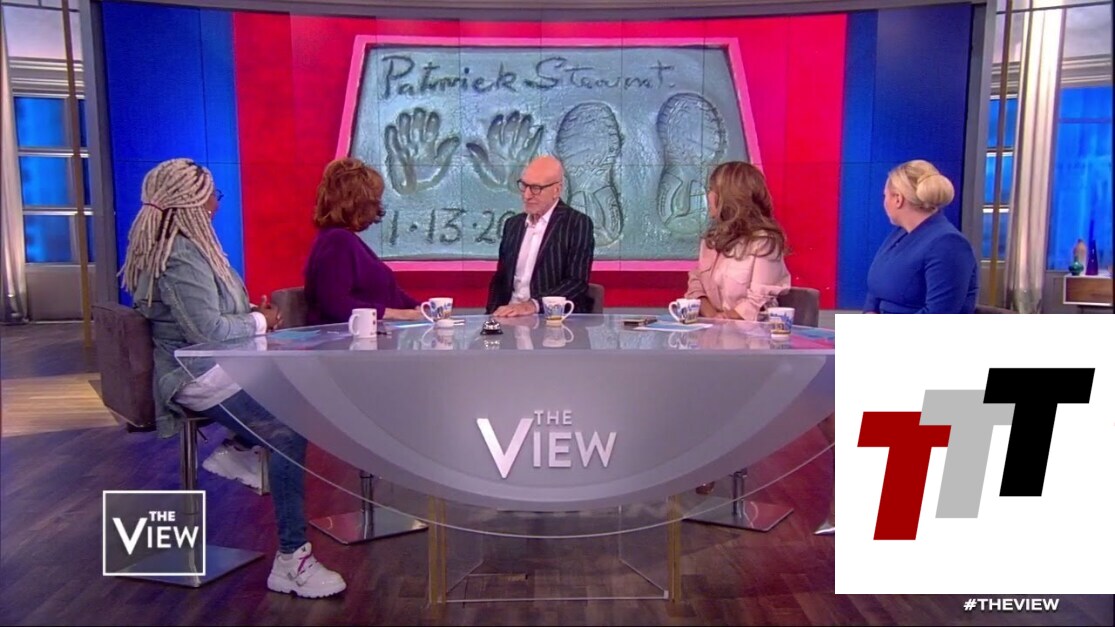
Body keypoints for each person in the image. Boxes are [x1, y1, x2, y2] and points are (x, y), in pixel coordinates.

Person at [121, 158, 346, 598]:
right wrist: (260, 321)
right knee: (286, 432)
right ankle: (292, 560)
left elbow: (210, 316)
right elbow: (206, 331)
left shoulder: (183, 247)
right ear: (191, 201)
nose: (217, 204)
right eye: (213, 196)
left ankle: (239, 450)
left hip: (217, 364)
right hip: (197, 374)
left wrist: (249, 315)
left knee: (303, 392)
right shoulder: (180, 254)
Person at [305, 158, 423, 325]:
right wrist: (400, 315)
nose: (379, 208)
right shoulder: (337, 241)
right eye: (376, 201)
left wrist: (419, 307)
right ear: (360, 202)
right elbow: (334, 303)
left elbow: (388, 293)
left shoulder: (346, 240)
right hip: (344, 338)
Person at [863, 159, 978, 314]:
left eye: (885, 196)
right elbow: (876, 288)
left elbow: (938, 315)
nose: (884, 202)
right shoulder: (899, 234)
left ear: (898, 199)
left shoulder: (948, 244)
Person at [486, 155, 595, 317]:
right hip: (509, 317)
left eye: (535, 188)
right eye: (524, 186)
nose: (527, 195)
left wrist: (533, 305)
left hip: (551, 319)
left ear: (556, 190)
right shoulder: (513, 225)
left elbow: (576, 282)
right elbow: (500, 280)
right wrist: (490, 317)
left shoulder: (577, 223)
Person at [685, 161, 791, 320]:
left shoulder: (764, 242)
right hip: (713, 329)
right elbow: (696, 287)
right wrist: (714, 318)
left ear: (728, 198)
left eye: (712, 189)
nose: (708, 195)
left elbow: (758, 302)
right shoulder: (711, 241)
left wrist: (724, 320)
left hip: (752, 332)